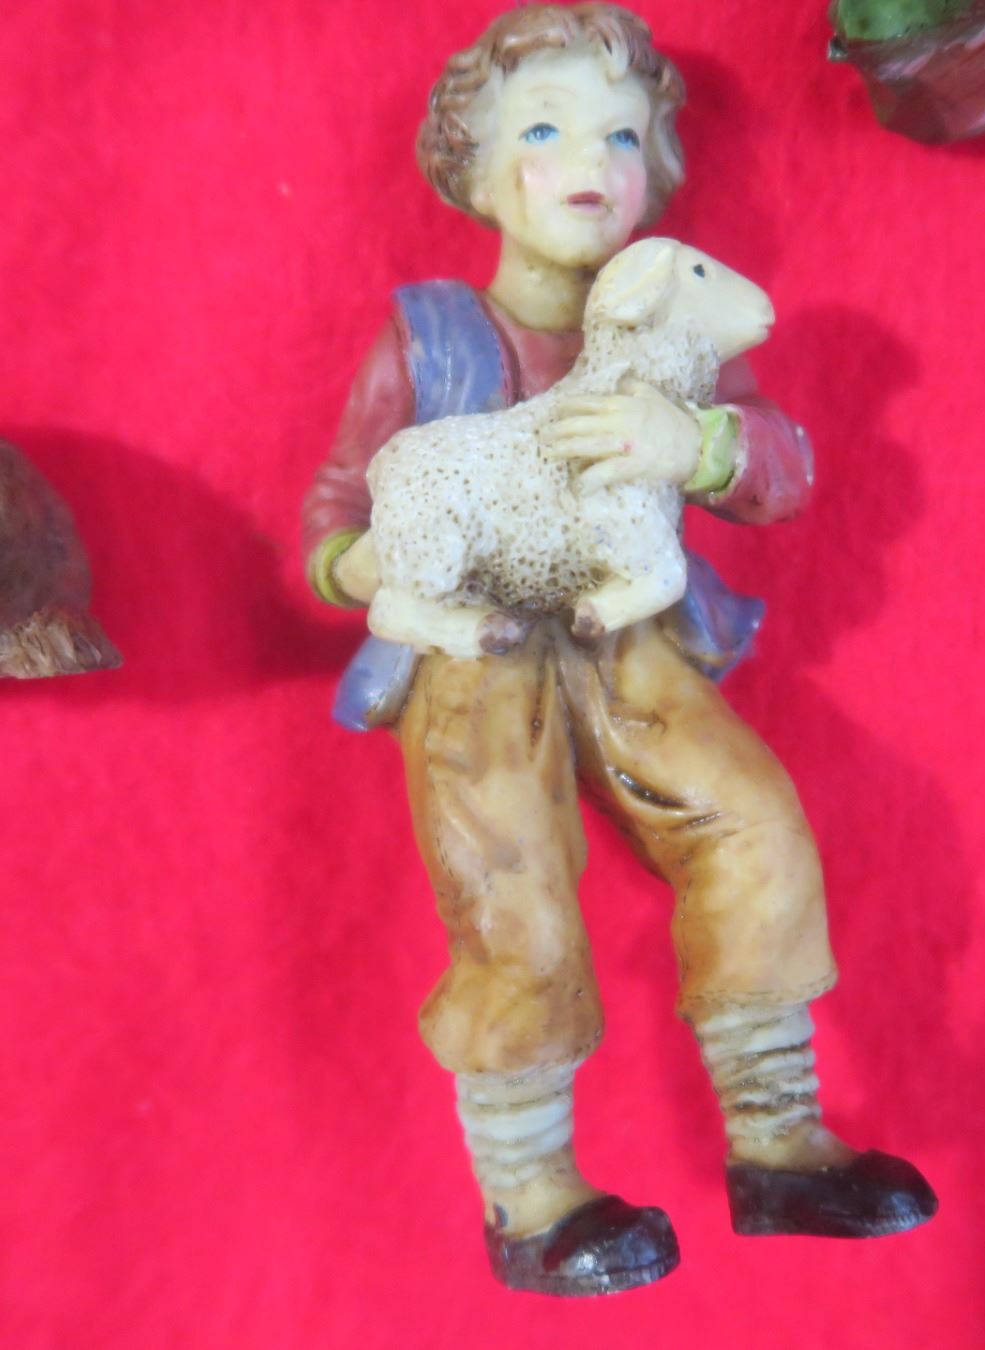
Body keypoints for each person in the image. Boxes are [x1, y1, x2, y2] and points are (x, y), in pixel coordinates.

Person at [301, 3, 935, 1296]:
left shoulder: (671, 340)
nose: (589, 161)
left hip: (632, 635)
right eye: (542, 133)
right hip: (480, 655)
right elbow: (333, 511)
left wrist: (690, 443)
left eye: (622, 135)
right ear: (479, 173)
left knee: (753, 822)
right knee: (513, 891)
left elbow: (780, 469)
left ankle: (779, 1137)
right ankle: (531, 1191)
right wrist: (371, 567)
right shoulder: (432, 337)